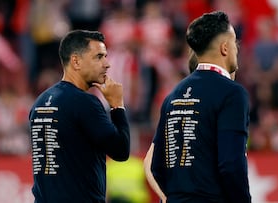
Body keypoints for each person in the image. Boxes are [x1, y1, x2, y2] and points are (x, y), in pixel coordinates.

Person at [144, 11, 251, 203]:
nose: (237, 48)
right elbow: (231, 165)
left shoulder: (173, 96)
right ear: (225, 48)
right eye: (235, 42)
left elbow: (155, 166)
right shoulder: (232, 93)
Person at [28, 30, 130, 203]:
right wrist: (117, 105)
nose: (107, 64)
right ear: (76, 61)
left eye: (105, 56)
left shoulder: (39, 102)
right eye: (98, 57)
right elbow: (121, 151)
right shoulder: (85, 103)